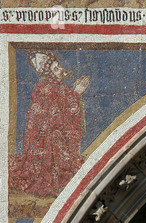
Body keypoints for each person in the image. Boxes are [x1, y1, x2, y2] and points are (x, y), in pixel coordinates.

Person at [9, 50, 90, 198]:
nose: (61, 70)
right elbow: (63, 118)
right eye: (56, 69)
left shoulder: (44, 89)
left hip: (45, 146)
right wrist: (77, 93)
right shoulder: (52, 90)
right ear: (49, 74)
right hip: (48, 149)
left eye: (59, 67)